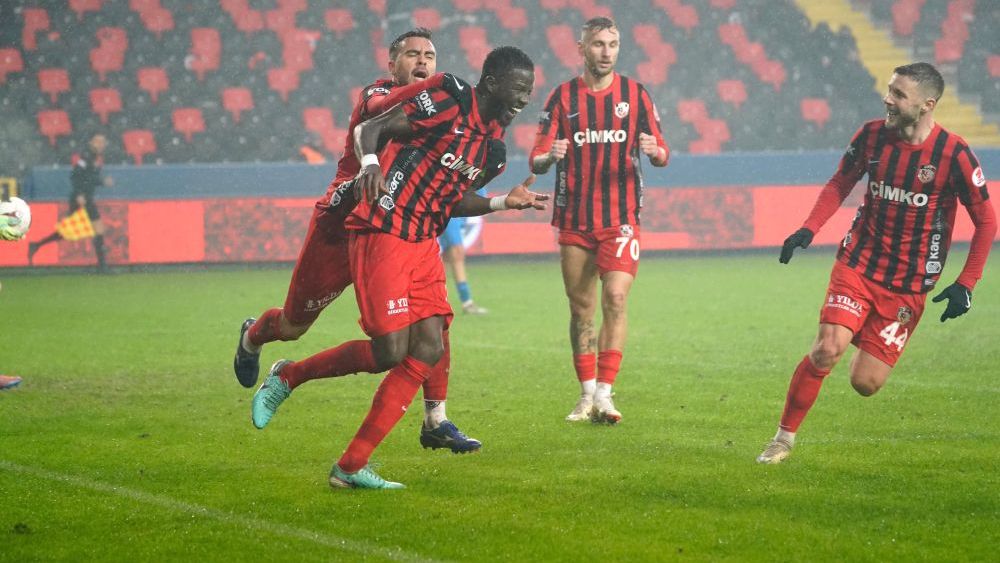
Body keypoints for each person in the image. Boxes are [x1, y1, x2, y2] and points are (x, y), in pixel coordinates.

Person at [254, 46, 538, 489]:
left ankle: (351, 467)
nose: (524, 99)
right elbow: (371, 128)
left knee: (429, 346)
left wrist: (502, 202)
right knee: (388, 350)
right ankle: (289, 375)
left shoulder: (493, 152)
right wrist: (370, 164)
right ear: (492, 82)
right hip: (383, 228)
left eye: (529, 91)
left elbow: (451, 200)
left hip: (423, 242)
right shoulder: (449, 99)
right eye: (519, 88)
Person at [234, 29, 483, 453]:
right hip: (343, 227)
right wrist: (440, 88)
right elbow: (378, 115)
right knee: (293, 325)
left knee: (434, 321)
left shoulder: (436, 113)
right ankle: (253, 337)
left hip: (399, 230)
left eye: (430, 56)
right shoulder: (378, 94)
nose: (422, 62)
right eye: (412, 55)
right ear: (392, 64)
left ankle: (436, 419)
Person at [756, 62, 996, 464]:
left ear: (927, 104)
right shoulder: (871, 136)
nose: (888, 99)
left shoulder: (954, 154)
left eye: (899, 94)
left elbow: (986, 220)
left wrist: (966, 283)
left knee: (865, 383)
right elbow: (840, 182)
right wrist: (809, 228)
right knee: (827, 349)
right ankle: (783, 439)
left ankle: (857, 326)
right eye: (889, 90)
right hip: (859, 263)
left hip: (908, 284)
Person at [530, 17, 669, 424]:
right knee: (581, 310)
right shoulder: (562, 97)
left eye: (612, 44)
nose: (606, 52)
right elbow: (536, 157)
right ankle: (586, 394)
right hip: (575, 219)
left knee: (617, 298)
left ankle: (606, 394)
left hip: (621, 218)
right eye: (598, 44)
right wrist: (549, 156)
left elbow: (662, 152)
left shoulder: (635, 95)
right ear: (581, 48)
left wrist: (655, 151)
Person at [28, 133, 114, 272]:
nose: (101, 144)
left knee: (70, 231)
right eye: (98, 141)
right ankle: (102, 266)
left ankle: (36, 245)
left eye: (103, 142)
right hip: (81, 198)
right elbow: (76, 175)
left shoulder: (94, 158)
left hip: (85, 197)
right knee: (97, 229)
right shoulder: (86, 156)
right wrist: (80, 194)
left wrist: (102, 182)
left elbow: (89, 177)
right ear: (91, 142)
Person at [439, 198, 488, 315]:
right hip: (447, 209)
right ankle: (466, 302)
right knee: (457, 252)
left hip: (457, 210)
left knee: (447, 256)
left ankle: (434, 299)